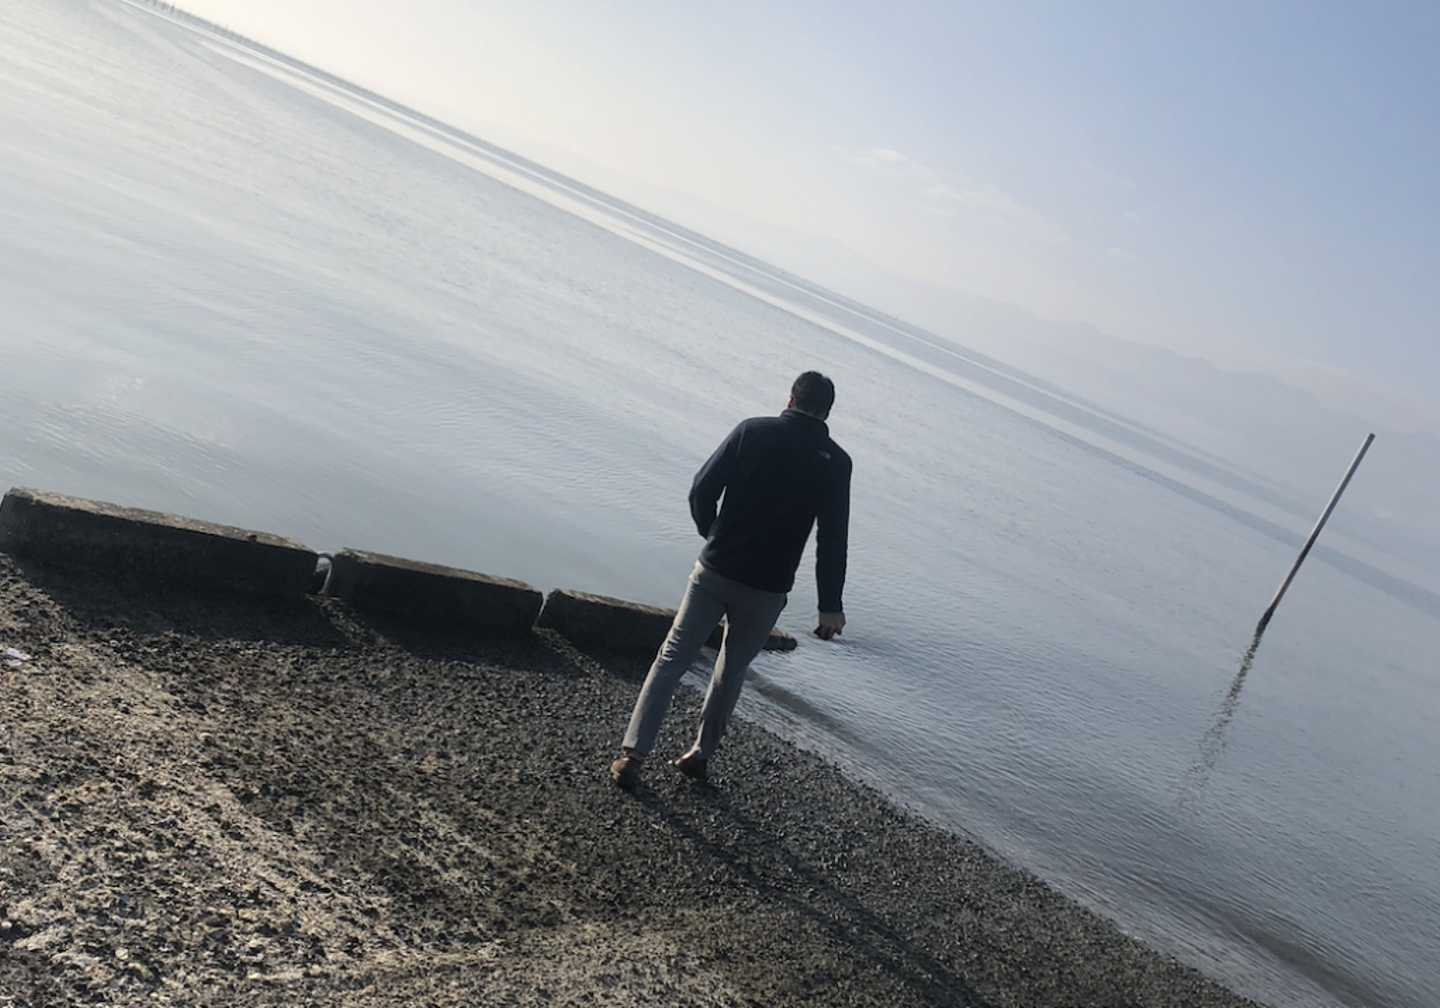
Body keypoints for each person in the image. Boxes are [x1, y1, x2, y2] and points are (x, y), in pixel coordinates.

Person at [610, 371, 852, 788]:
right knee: (731, 670)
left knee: (672, 658)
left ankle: (633, 754)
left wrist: (713, 534)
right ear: (827, 413)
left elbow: (701, 490)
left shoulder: (752, 431)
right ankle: (699, 755)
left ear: (789, 400)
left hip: (716, 569)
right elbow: (833, 538)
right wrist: (830, 604)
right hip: (769, 587)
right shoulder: (837, 463)